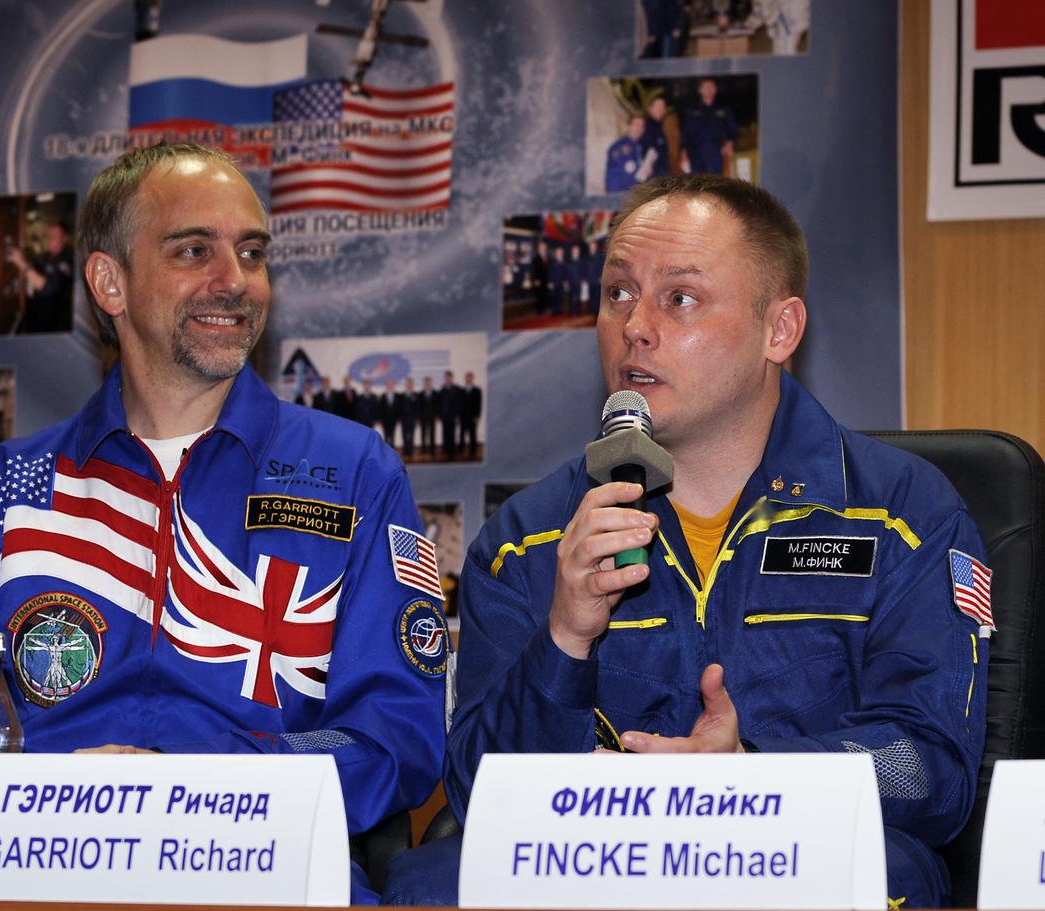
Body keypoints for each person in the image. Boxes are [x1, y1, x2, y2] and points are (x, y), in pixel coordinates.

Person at [0, 143, 448, 903]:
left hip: (244, 855)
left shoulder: (354, 474)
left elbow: (395, 733)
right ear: (109, 281)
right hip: (15, 852)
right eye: (194, 249)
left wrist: (211, 784)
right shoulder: (6, 489)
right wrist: (31, 773)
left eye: (252, 251)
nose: (234, 280)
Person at [385, 175, 990, 908]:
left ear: (781, 329)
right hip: (596, 875)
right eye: (616, 294)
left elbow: (928, 769)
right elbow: (481, 795)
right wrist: (565, 640)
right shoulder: (530, 537)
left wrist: (754, 771)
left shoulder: (904, 512)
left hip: (796, 871)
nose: (634, 325)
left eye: (679, 298)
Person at [8, 221, 74, 333]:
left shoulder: (67, 261)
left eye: (54, 236)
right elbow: (34, 271)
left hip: (51, 321)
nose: (49, 239)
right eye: (48, 236)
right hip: (34, 312)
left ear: (65, 239)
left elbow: (48, 287)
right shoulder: (46, 256)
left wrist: (21, 262)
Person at [680, 77, 738, 175]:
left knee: (717, 184)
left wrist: (729, 144)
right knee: (698, 185)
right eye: (706, 87)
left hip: (717, 154)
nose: (709, 89)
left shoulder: (723, 109)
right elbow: (685, 133)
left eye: (711, 87)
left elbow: (733, 130)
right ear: (700, 90)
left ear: (715, 89)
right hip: (696, 154)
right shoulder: (692, 111)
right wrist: (683, 153)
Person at [605, 114, 648, 194]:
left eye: (642, 126)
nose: (639, 128)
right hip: (620, 196)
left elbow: (636, 171)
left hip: (633, 195)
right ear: (628, 126)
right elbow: (616, 178)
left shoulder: (637, 148)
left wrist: (645, 171)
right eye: (636, 125)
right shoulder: (619, 147)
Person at [437, 370, 461, 460]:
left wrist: (458, 415)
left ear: (452, 377)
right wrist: (439, 414)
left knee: (452, 433)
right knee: (445, 433)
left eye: (449, 377)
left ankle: (452, 450)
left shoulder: (456, 389)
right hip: (444, 416)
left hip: (453, 415)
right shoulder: (442, 389)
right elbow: (439, 403)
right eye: (446, 377)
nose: (447, 378)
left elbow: (459, 403)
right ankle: (445, 449)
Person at [459, 371, 482, 460]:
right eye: (467, 377)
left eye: (470, 377)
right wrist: (459, 417)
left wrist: (478, 416)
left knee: (473, 434)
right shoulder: (462, 390)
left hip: (473, 417)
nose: (469, 379)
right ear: (465, 379)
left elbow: (479, 404)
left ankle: (473, 451)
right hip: (463, 416)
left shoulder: (477, 390)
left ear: (472, 378)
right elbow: (460, 404)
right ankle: (461, 450)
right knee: (462, 434)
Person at [399, 377, 421, 458]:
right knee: (404, 435)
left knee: (411, 435)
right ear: (406, 385)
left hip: (412, 419)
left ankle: (410, 450)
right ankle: (405, 450)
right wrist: (400, 418)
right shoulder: (402, 395)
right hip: (404, 419)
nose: (409, 385)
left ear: (412, 385)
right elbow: (400, 408)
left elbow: (418, 408)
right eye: (408, 383)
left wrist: (417, 419)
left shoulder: (415, 395)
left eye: (410, 384)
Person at [419, 375, 438, 457]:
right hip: (423, 417)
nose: (428, 383)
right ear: (424, 383)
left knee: (432, 434)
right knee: (423, 434)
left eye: (429, 382)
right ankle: (423, 450)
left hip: (432, 417)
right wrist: (419, 418)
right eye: (426, 382)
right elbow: (418, 406)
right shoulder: (420, 394)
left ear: (431, 383)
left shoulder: (435, 393)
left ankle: (432, 450)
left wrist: (437, 415)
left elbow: (438, 405)